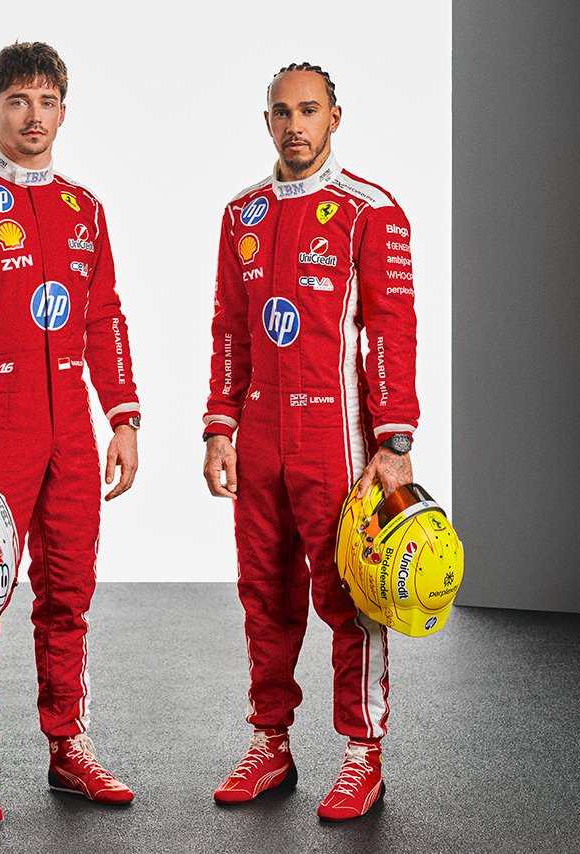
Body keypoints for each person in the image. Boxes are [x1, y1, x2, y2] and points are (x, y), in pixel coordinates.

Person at [0, 41, 141, 823]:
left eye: (46, 102)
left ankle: (67, 746)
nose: (33, 116)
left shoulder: (84, 209)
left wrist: (123, 416)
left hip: (69, 424)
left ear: (63, 113)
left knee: (69, 592)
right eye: (18, 101)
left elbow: (104, 317)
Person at [201, 62, 418, 822]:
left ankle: (363, 754)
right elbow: (230, 331)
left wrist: (394, 439)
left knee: (352, 592)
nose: (296, 125)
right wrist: (220, 427)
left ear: (334, 117)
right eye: (283, 112)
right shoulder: (242, 214)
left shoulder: (370, 210)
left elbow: (391, 329)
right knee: (265, 592)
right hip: (260, 436)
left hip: (338, 438)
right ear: (267, 121)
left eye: (309, 110)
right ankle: (271, 743)